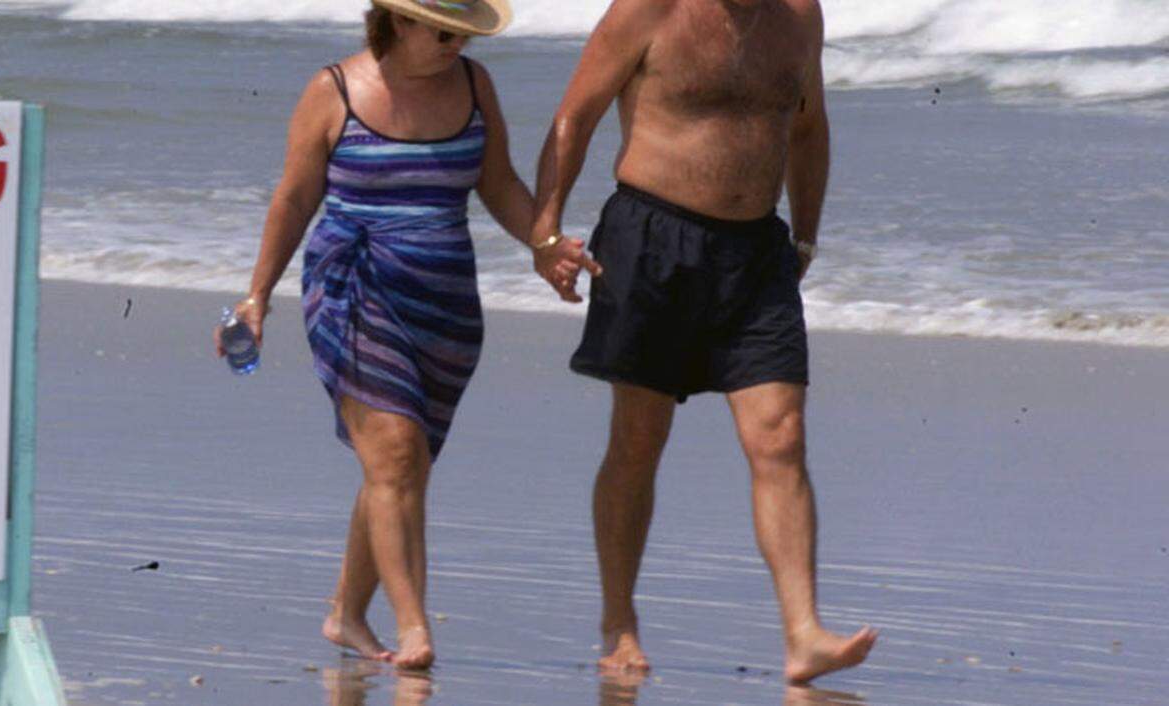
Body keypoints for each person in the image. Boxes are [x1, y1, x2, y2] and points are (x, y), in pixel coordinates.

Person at [525, 0, 878, 684]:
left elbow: (807, 129)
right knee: (638, 438)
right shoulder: (646, 10)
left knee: (781, 433)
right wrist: (546, 232)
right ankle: (619, 622)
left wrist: (805, 233)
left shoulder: (799, 14)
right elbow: (576, 115)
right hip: (650, 240)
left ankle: (803, 633)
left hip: (756, 252)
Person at [214, 0, 533, 670]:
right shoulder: (332, 91)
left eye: (465, 34)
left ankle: (345, 614)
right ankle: (414, 625)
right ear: (399, 22)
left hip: (443, 302)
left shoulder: (475, 86)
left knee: (400, 465)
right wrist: (256, 296)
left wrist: (549, 244)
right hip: (351, 285)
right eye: (444, 32)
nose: (456, 45)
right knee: (393, 454)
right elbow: (295, 198)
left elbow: (498, 184)